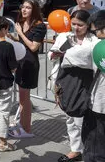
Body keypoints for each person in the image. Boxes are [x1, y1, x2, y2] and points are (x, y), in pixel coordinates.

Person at [49, 10, 96, 162]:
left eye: (80, 25)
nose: (76, 27)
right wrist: (57, 53)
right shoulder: (65, 36)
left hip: (85, 82)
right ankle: (76, 149)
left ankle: (88, 149)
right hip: (65, 80)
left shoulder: (94, 40)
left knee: (82, 118)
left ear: (88, 25)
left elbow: (87, 58)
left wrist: (67, 54)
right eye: (73, 24)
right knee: (69, 116)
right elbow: (51, 55)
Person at [9, 0, 47, 138]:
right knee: (22, 98)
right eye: (23, 7)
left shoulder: (39, 26)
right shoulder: (21, 23)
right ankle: (23, 126)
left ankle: (27, 129)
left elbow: (33, 47)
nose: (24, 10)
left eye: (28, 8)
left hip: (30, 63)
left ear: (34, 10)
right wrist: (12, 37)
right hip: (20, 62)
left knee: (25, 98)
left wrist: (20, 32)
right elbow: (21, 42)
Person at [0, 16, 18, 152]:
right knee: (4, 113)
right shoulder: (8, 46)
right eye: (7, 29)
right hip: (4, 82)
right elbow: (13, 67)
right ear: (3, 29)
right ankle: (2, 142)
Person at [82, 10, 105, 161]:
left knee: (95, 145)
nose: (94, 35)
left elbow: (73, 57)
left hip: (100, 104)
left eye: (95, 31)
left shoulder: (97, 46)